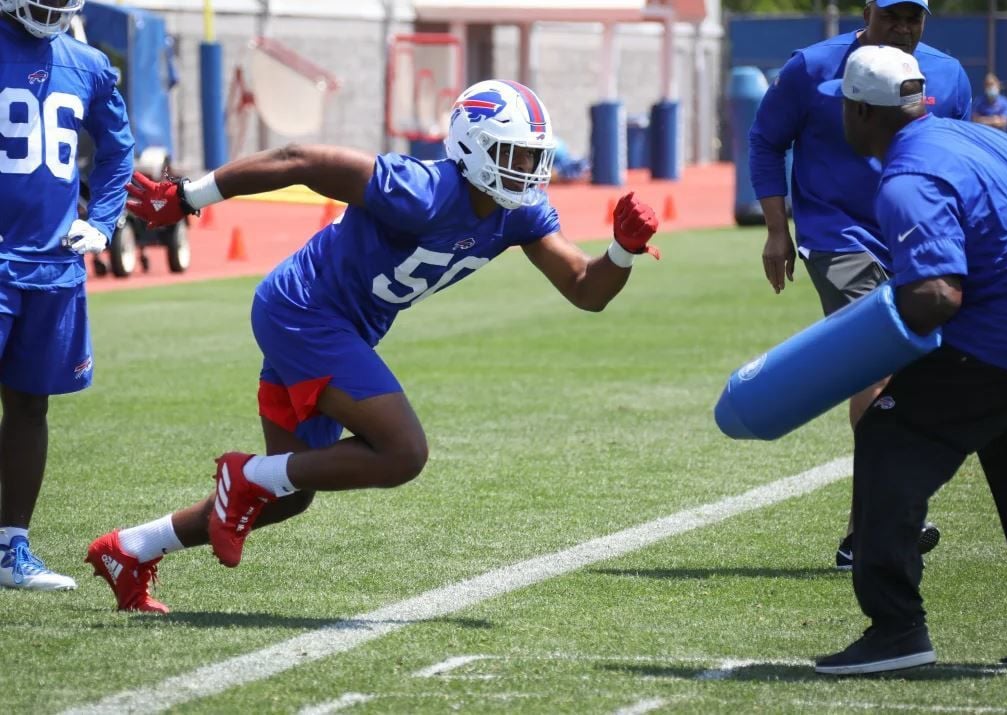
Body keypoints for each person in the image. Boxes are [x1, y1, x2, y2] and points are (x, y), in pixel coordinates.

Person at [84, 79, 661, 613]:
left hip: (338, 325)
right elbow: (298, 160)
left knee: (288, 491)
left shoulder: (519, 214)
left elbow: (586, 290)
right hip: (304, 311)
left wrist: (623, 249)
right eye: (515, 157)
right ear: (473, 147)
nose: (529, 172)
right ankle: (247, 476)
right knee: (401, 451)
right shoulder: (420, 189)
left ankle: (131, 549)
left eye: (535, 159)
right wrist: (189, 196)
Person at [812, 44, 1007, 675]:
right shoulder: (992, 142)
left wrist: (864, 344)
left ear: (862, 112)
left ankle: (895, 629)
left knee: (889, 428)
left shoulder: (907, 177)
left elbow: (938, 294)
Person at [748, 0, 972, 570]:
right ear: (867, 11)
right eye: (891, 15)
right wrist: (778, 230)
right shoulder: (811, 67)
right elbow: (766, 140)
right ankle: (889, 518)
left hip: (914, 235)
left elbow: (955, 158)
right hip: (836, 234)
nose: (902, 27)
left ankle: (862, 532)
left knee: (922, 374)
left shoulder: (948, 75)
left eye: (913, 17)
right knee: (877, 363)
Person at [0, 0, 133, 590]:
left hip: (53, 264)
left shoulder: (88, 62)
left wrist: (103, 221)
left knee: (31, 405)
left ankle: (11, 548)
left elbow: (118, 149)